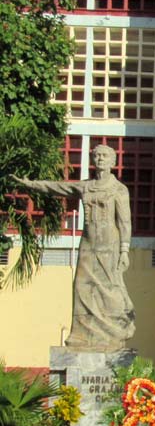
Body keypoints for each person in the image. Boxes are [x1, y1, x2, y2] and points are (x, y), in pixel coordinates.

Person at [13, 144, 135, 351]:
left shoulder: (118, 189)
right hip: (88, 243)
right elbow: (57, 187)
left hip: (110, 245)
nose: (100, 158)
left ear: (113, 162)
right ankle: (81, 337)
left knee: (110, 289)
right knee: (81, 287)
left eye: (105, 156)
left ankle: (117, 330)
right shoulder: (85, 186)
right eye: (97, 155)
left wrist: (124, 250)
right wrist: (30, 185)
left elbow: (125, 222)